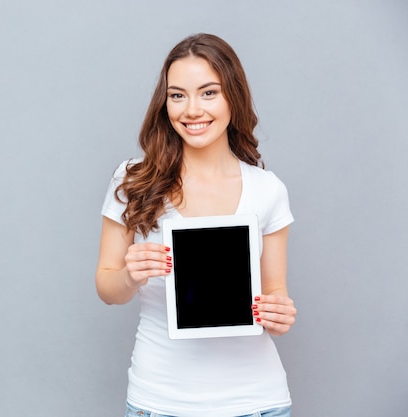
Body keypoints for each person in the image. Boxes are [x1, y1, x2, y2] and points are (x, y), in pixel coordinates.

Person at [95, 33, 297, 417]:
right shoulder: (134, 179)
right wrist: (129, 277)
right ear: (165, 102)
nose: (191, 110)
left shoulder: (268, 190)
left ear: (232, 98)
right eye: (177, 95)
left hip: (258, 402)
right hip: (160, 401)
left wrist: (279, 314)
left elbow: (275, 294)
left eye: (208, 93)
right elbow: (107, 287)